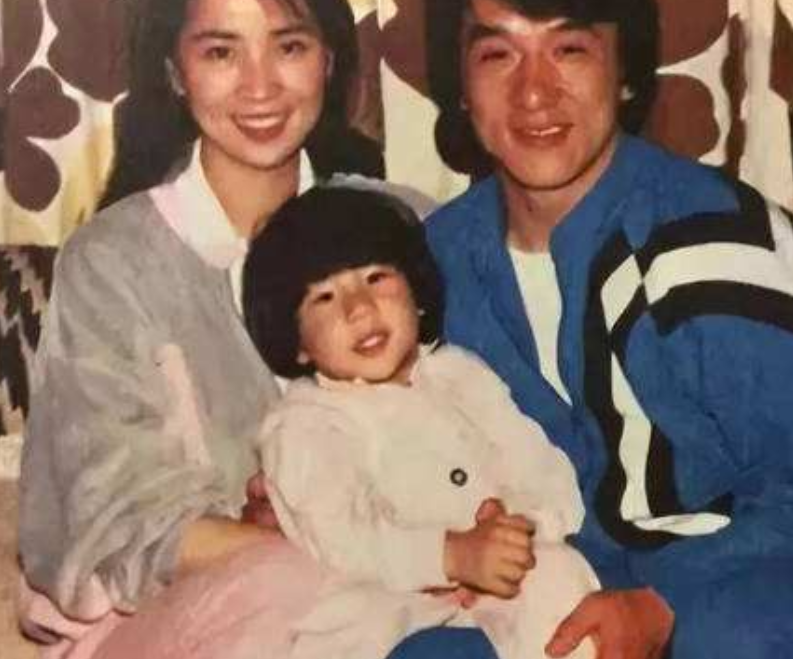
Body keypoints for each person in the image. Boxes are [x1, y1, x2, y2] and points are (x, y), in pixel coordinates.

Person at [415, 0, 793, 659]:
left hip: (757, 586)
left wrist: (664, 600)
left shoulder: (723, 238)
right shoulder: (427, 267)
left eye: (569, 49)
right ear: (459, 85)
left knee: (736, 638)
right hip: (555, 593)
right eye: (497, 54)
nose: (533, 91)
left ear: (626, 70)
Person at [17, 0, 382, 657]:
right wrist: (340, 547)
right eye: (221, 52)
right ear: (173, 73)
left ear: (329, 58)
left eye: (289, 46)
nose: (260, 86)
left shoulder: (398, 228)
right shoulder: (111, 264)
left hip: (386, 600)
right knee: (289, 591)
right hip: (179, 619)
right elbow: (112, 518)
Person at [241, 186, 599, 659]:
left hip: (500, 589)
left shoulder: (461, 374)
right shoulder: (303, 423)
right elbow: (343, 536)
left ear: (416, 292)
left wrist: (516, 530)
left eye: (375, 278)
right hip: (390, 614)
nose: (359, 308)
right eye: (324, 297)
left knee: (560, 578)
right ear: (298, 342)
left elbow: (542, 469)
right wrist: (451, 556)